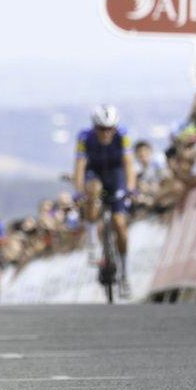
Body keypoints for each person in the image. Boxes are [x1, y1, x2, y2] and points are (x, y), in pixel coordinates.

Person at [72, 104, 137, 297]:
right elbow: (80, 166)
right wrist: (78, 191)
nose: (106, 133)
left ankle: (125, 275)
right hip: (95, 172)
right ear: (94, 127)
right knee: (92, 191)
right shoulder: (84, 137)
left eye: (110, 129)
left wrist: (131, 188)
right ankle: (92, 243)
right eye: (102, 129)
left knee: (119, 223)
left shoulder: (122, 135)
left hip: (115, 174)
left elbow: (129, 164)